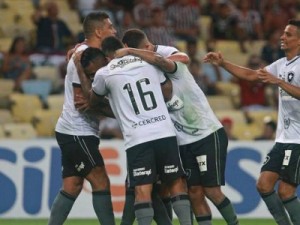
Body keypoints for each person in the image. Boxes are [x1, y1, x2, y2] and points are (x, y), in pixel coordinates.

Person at [120, 28, 239, 225]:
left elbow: (183, 58)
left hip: (207, 133)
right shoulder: (143, 73)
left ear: (148, 48)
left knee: (211, 191)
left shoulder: (167, 58)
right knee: (193, 193)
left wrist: (132, 52)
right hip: (183, 141)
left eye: (142, 51)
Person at [78, 36, 192, 225]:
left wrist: (121, 105)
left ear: (106, 56)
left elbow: (94, 101)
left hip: (138, 138)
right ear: (123, 47)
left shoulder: (104, 74)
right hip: (165, 132)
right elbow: (167, 91)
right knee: (176, 183)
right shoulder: (148, 63)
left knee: (142, 190)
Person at [204, 19, 300, 225]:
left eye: (289, 34)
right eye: (283, 33)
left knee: (285, 191)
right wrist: (223, 63)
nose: (282, 37)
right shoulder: (281, 64)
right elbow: (250, 74)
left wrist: (280, 82)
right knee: (264, 185)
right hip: (284, 138)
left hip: (298, 140)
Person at [47, 12, 117, 225]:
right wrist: (118, 112)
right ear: (98, 31)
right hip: (77, 131)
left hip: (74, 130)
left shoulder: (85, 52)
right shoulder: (84, 57)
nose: (114, 31)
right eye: (110, 27)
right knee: (100, 181)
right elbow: (83, 102)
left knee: (72, 186)